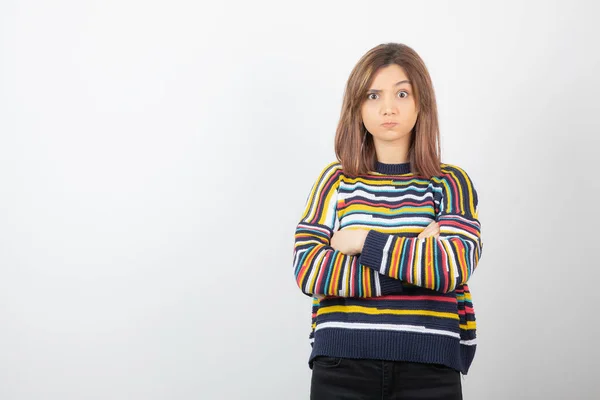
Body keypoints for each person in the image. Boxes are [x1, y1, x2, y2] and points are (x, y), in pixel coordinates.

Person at [292, 43, 484, 400]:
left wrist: (363, 241)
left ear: (421, 102)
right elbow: (309, 270)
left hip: (429, 369)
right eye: (373, 95)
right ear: (357, 106)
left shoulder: (450, 182)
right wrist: (416, 265)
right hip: (341, 366)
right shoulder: (335, 181)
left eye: (401, 93)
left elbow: (452, 267)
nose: (388, 107)